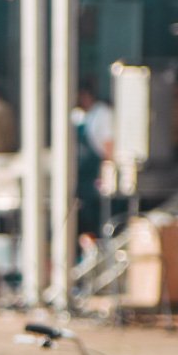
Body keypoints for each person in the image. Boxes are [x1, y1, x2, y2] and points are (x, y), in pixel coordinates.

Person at [74, 81, 114, 238]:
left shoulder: (103, 114)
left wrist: (106, 173)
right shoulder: (83, 116)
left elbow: (109, 145)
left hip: (96, 173)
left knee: (95, 215)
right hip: (83, 176)